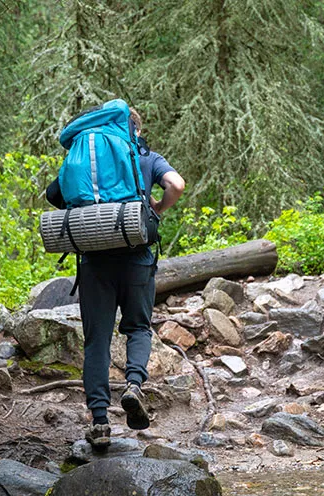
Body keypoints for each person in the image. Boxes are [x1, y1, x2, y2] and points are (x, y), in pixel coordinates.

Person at [76, 107, 185, 449]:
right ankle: (134, 384)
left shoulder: (85, 157)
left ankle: (99, 422)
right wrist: (156, 209)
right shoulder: (147, 158)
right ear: (135, 130)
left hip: (95, 262)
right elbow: (176, 185)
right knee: (138, 327)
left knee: (97, 340)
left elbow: (55, 195)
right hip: (137, 258)